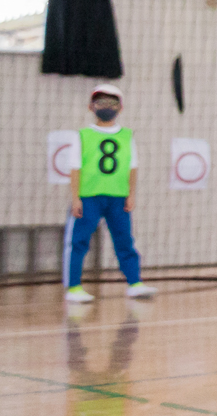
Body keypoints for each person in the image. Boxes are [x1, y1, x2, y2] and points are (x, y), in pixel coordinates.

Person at [65, 83, 156, 302]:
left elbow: (132, 167)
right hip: (89, 197)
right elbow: (75, 168)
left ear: (120, 108)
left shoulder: (127, 136)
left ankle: (135, 283)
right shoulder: (83, 135)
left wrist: (131, 194)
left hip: (118, 197)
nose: (106, 106)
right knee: (79, 241)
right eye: (101, 102)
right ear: (91, 107)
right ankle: (73, 287)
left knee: (124, 240)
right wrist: (75, 197)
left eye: (111, 102)